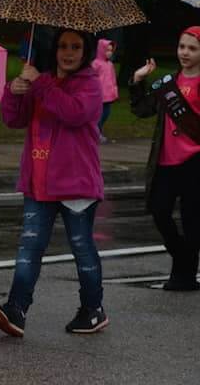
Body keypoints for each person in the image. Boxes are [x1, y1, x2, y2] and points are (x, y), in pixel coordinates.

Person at [0, 29, 108, 338]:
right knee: (29, 248)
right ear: (53, 50)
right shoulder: (41, 82)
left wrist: (40, 83)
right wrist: (14, 91)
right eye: (63, 46)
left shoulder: (90, 84)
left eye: (76, 47)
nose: (68, 52)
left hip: (76, 184)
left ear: (86, 51)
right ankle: (16, 309)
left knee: (82, 249)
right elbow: (14, 120)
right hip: (38, 181)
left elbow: (74, 113)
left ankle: (93, 309)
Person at [129, 26, 200, 291]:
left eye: (192, 48)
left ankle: (184, 275)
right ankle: (183, 262)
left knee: (193, 223)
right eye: (182, 46)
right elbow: (142, 109)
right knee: (159, 212)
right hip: (166, 162)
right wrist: (137, 80)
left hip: (195, 162)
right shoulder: (168, 82)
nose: (185, 52)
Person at [92, 39, 119, 143]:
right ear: (101, 50)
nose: (109, 53)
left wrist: (114, 91)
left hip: (108, 95)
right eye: (107, 50)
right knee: (99, 115)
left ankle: (98, 131)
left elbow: (113, 79)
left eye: (111, 51)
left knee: (106, 113)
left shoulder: (110, 65)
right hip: (99, 95)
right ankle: (96, 133)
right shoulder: (96, 64)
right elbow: (91, 78)